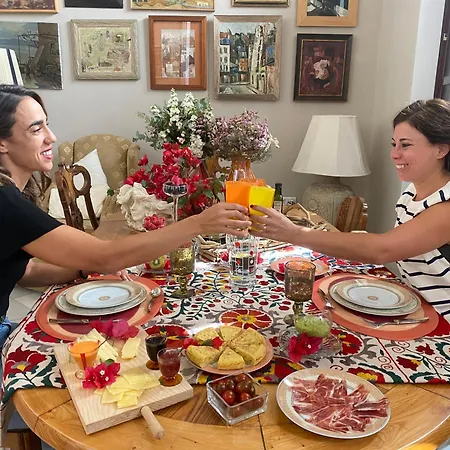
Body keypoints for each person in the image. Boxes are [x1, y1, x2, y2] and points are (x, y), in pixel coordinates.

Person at [0, 84, 252, 347]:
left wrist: (84, 267)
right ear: (2, 143)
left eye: (47, 125)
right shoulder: (6, 202)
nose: (51, 137)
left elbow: (25, 271)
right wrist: (199, 224)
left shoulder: (11, 195)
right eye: (36, 129)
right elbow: (106, 255)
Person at [250, 99, 450, 322]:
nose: (394, 154)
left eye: (406, 145)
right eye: (393, 144)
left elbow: (382, 250)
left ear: (441, 149)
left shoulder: (446, 207)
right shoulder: (412, 193)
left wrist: (293, 233)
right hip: (419, 310)